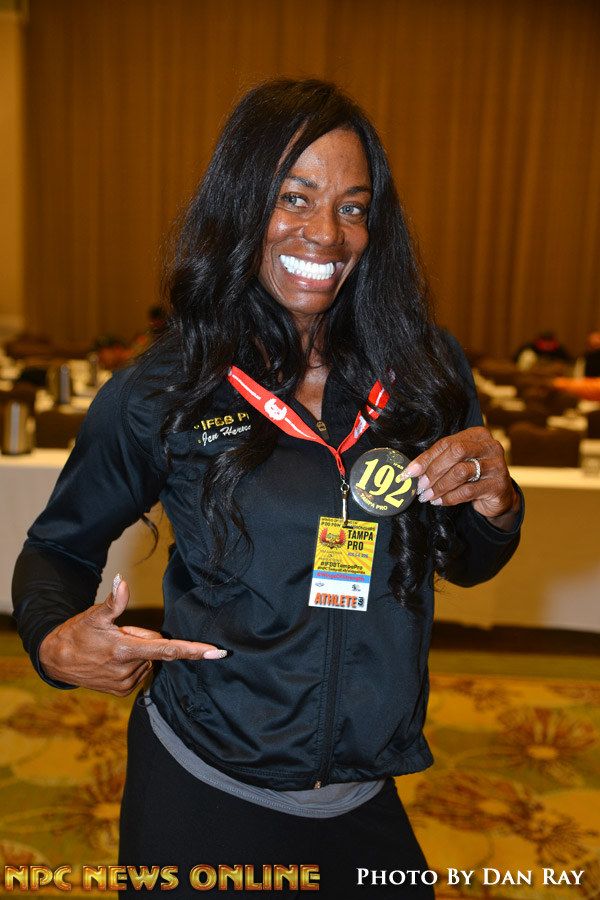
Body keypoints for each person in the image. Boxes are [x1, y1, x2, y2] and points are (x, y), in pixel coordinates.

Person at [12, 79, 523, 897]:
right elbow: (56, 549)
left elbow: (465, 561)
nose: (326, 233)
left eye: (353, 208)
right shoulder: (165, 388)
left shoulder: (425, 370)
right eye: (295, 198)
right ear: (242, 204)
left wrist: (496, 505)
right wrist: (51, 641)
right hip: (202, 787)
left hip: (362, 793)